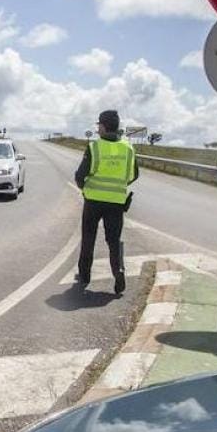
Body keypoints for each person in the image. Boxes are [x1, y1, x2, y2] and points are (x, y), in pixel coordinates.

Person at [75, 109, 139, 294]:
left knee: (88, 238)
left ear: (102, 126)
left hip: (93, 201)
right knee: (113, 240)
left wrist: (85, 188)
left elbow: (81, 175)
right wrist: (118, 185)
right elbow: (134, 174)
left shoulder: (95, 147)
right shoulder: (128, 148)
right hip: (117, 203)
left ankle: (85, 275)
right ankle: (118, 271)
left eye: (99, 126)